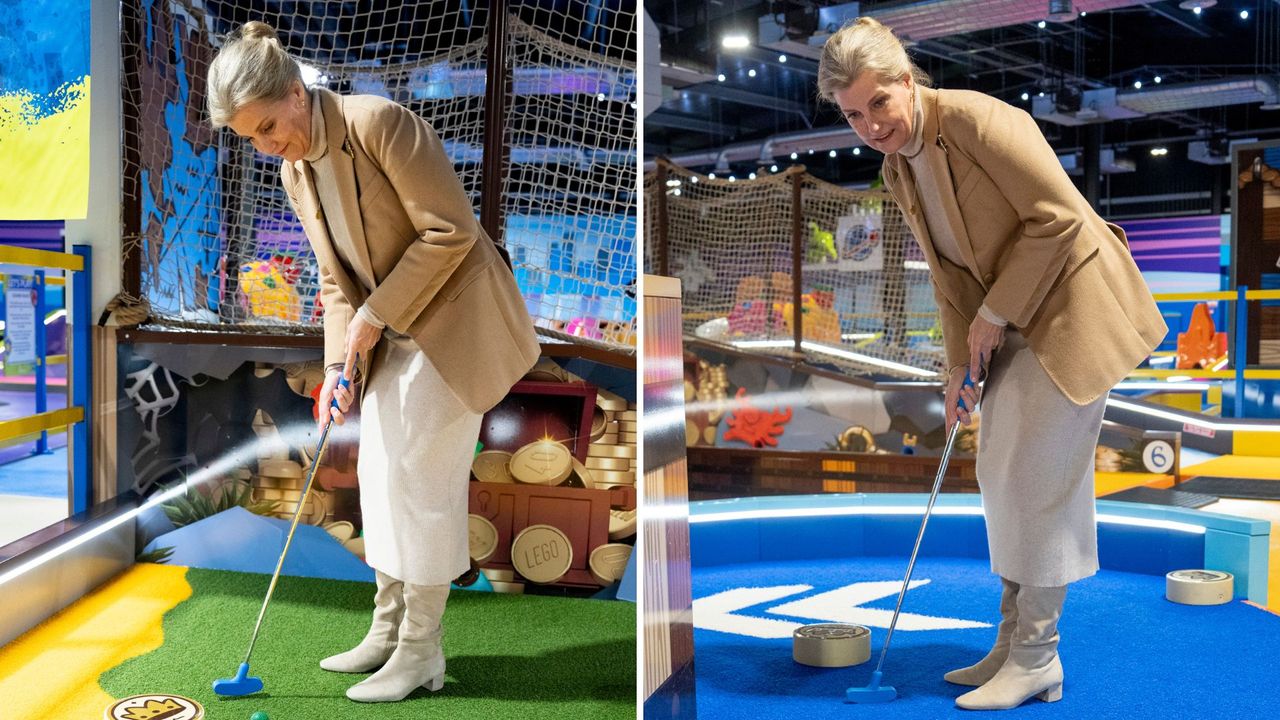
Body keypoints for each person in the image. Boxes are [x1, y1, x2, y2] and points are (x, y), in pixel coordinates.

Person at [818, 18, 1166, 711]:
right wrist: (956, 369)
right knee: (1001, 478)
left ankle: (1039, 656)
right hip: (1010, 322)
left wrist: (993, 316)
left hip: (1069, 312)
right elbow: (951, 281)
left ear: (906, 82)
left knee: (1038, 481)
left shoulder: (978, 120)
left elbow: (1059, 218)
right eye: (853, 114)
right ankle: (1011, 645)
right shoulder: (898, 168)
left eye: (879, 104)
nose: (871, 125)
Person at [206, 21, 540, 703]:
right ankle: (388, 631)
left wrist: (371, 319)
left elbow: (450, 232)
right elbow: (335, 284)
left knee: (419, 480)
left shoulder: (382, 123)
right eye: (252, 139)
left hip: (455, 326)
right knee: (381, 474)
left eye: (270, 125)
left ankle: (423, 652)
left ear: (297, 93)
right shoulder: (295, 171)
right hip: (389, 333)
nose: (269, 145)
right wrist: (337, 368)